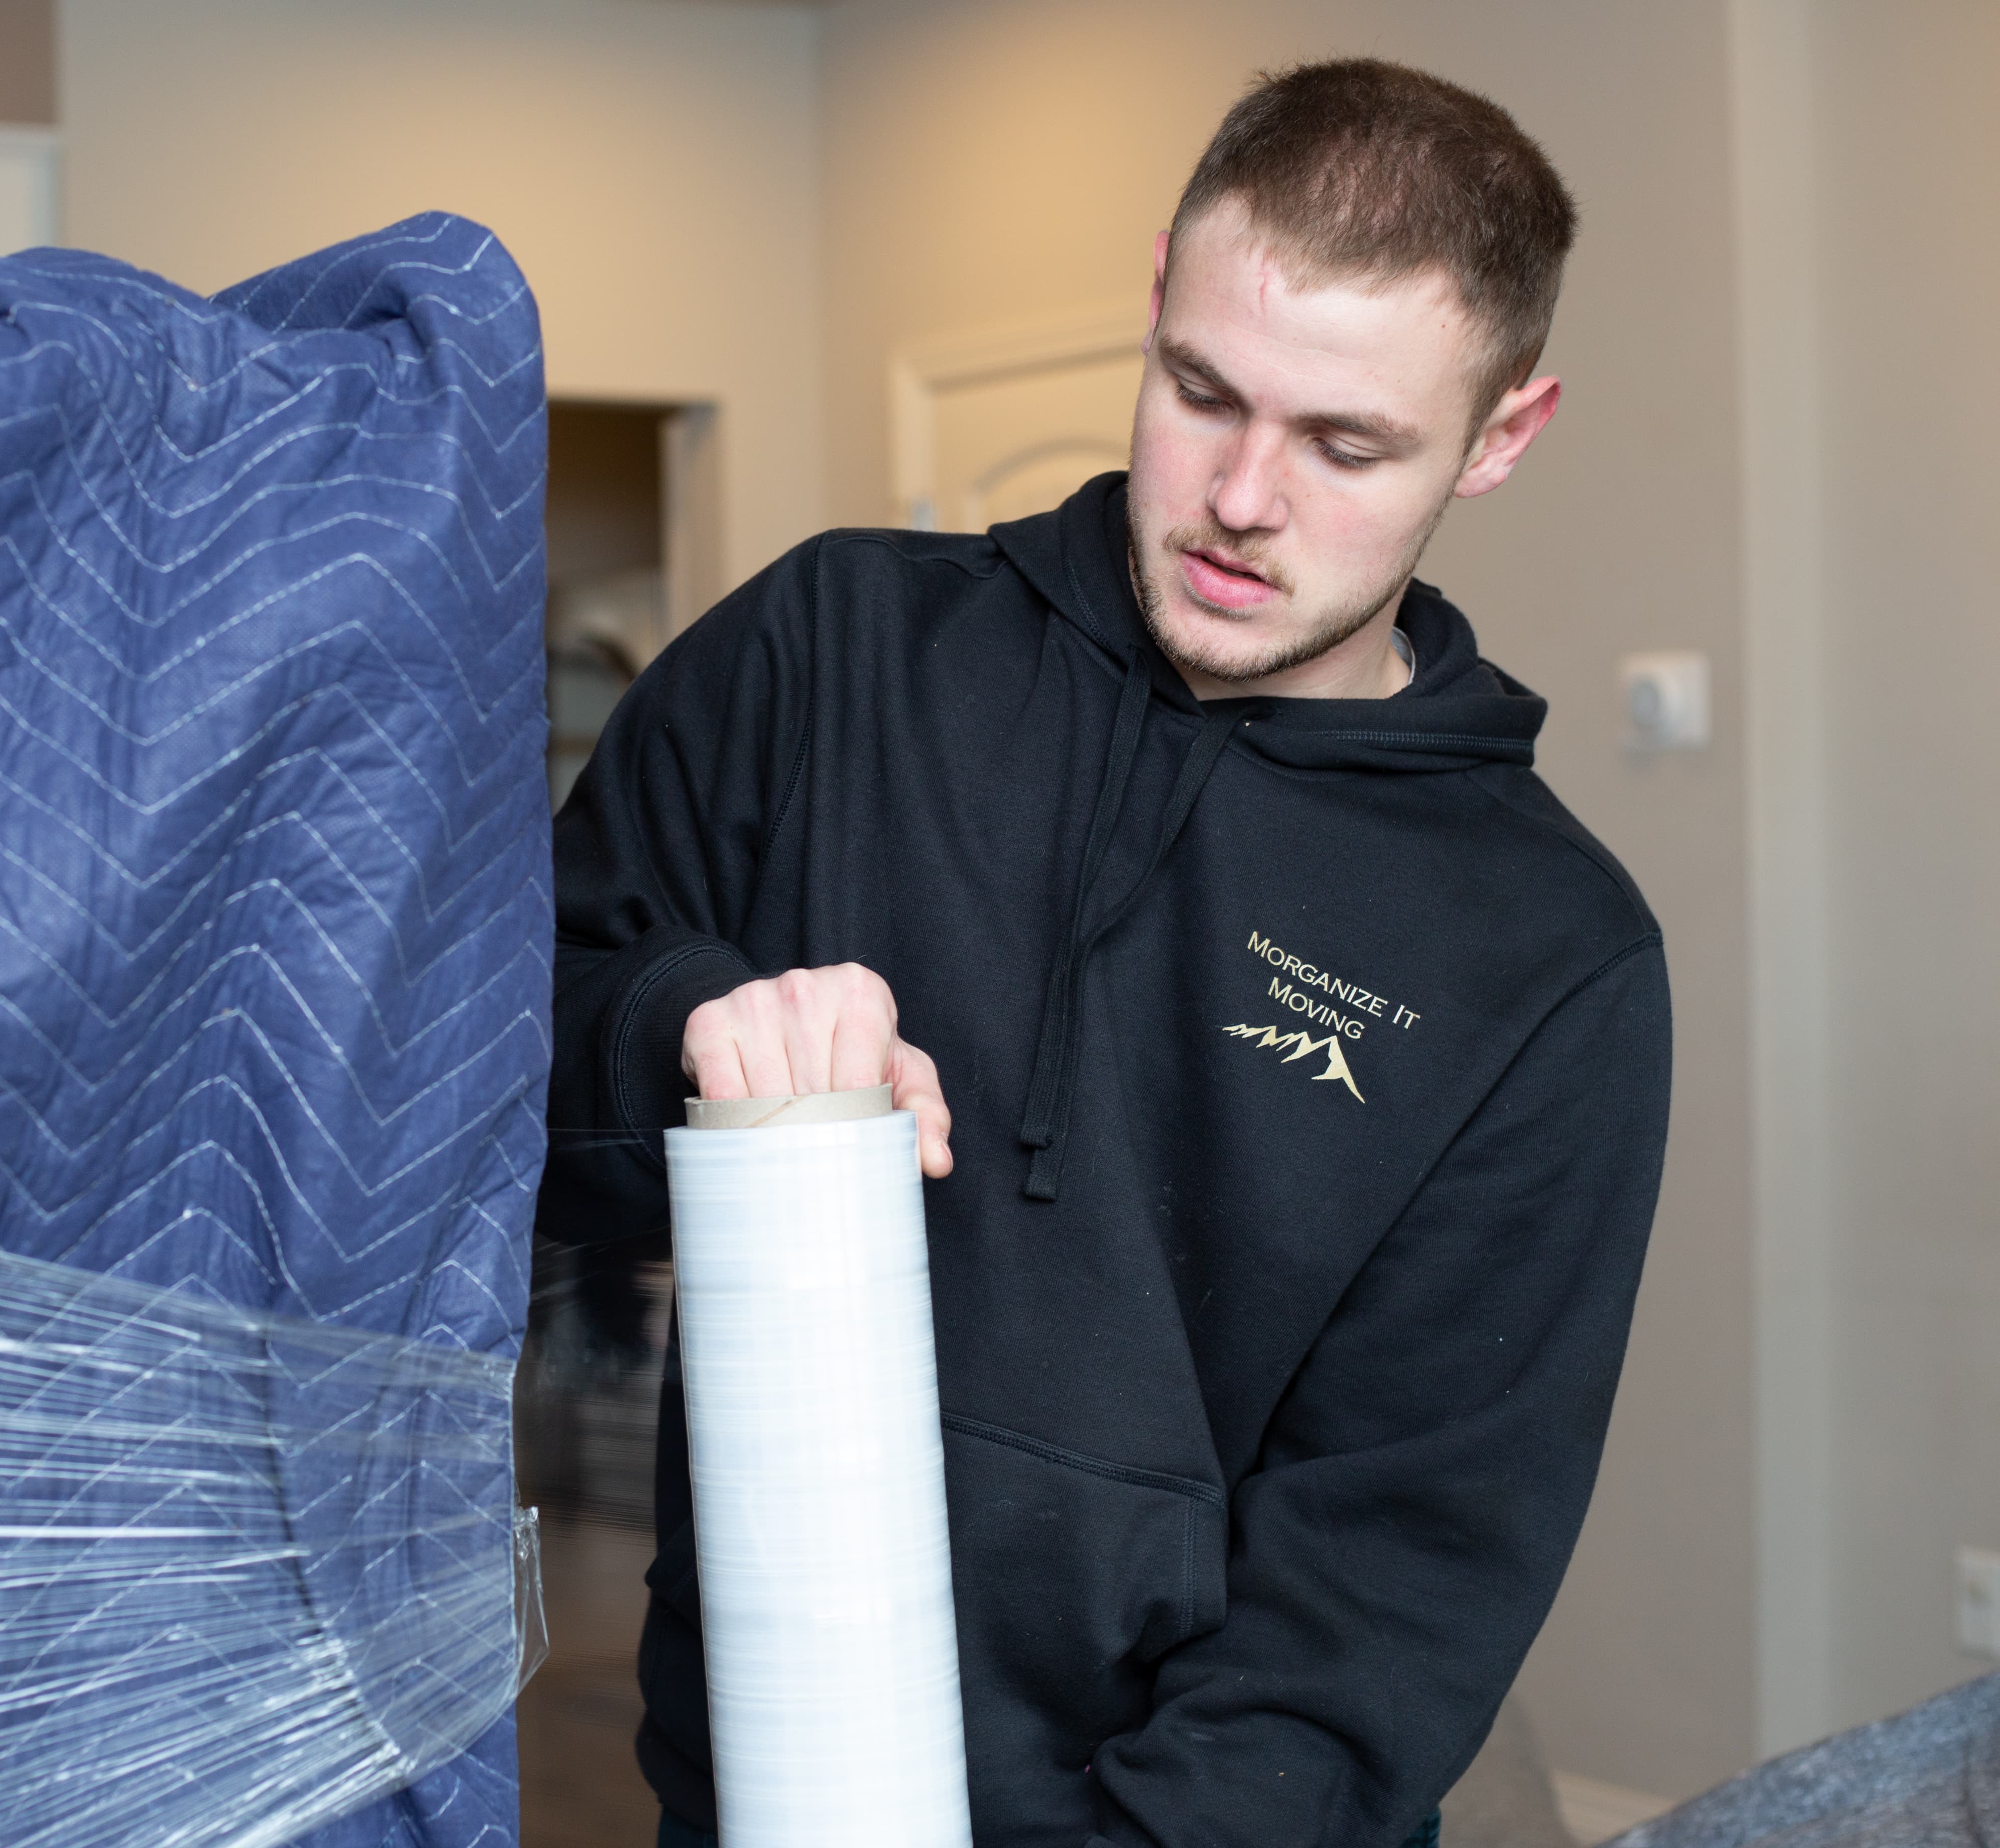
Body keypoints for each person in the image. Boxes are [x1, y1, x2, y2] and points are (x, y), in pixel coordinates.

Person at [539, 57, 1672, 1848]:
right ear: (1155, 297)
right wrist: (685, 1030)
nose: (1241, 495)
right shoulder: (835, 653)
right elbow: (477, 1093)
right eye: (1201, 389)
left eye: (1346, 444)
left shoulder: (1548, 954)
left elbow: (1391, 1583)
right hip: (762, 1782)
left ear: (1502, 436)